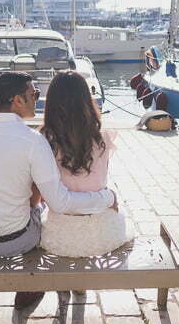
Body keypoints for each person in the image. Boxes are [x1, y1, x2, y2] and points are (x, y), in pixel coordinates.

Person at [0, 71, 117, 309]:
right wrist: (107, 198)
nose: (38, 100)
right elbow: (58, 202)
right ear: (18, 100)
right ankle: (29, 288)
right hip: (15, 241)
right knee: (36, 210)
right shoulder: (32, 141)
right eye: (34, 94)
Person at [39, 71, 134, 257]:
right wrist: (109, 197)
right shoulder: (103, 137)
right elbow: (100, 180)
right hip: (105, 233)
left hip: (60, 234)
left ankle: (65, 286)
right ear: (86, 99)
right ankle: (78, 286)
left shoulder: (43, 140)